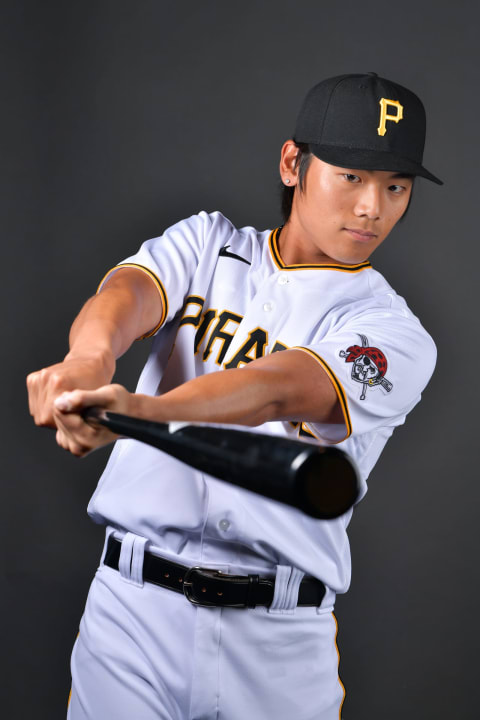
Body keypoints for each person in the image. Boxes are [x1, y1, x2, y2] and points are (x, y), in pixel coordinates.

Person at [27, 72, 442, 720]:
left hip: (278, 643)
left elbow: (278, 390)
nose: (373, 207)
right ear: (292, 163)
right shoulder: (207, 243)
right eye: (352, 176)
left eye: (396, 186)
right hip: (134, 615)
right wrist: (88, 359)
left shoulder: (395, 331)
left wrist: (144, 413)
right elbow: (126, 294)